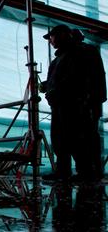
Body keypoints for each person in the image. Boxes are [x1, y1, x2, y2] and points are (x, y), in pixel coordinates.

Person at [41, 24, 95, 181]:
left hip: (71, 103)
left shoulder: (76, 54)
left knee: (74, 137)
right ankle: (64, 171)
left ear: (62, 35)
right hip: (59, 103)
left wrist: (53, 89)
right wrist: (47, 85)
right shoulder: (60, 58)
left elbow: (74, 79)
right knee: (60, 138)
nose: (50, 41)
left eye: (51, 37)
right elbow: (59, 80)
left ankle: (84, 172)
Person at [72, 29, 106, 179]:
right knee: (90, 136)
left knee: (85, 136)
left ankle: (88, 171)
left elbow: (82, 78)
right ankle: (93, 170)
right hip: (92, 100)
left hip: (87, 101)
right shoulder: (90, 51)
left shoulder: (82, 52)